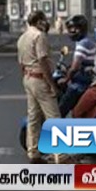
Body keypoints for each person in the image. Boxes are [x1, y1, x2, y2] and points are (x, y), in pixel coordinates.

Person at [17, 10, 68, 164]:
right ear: (39, 21)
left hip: (28, 78)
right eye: (44, 20)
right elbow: (43, 61)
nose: (46, 23)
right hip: (40, 79)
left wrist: (26, 78)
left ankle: (33, 153)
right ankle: (61, 155)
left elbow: (21, 63)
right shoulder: (39, 36)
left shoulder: (22, 38)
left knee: (33, 117)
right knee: (54, 117)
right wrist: (51, 84)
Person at [57, 15, 96, 117]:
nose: (72, 31)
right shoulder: (87, 41)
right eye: (70, 29)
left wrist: (65, 80)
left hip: (82, 83)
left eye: (74, 28)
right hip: (89, 78)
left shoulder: (82, 43)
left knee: (61, 109)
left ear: (81, 29)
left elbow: (75, 67)